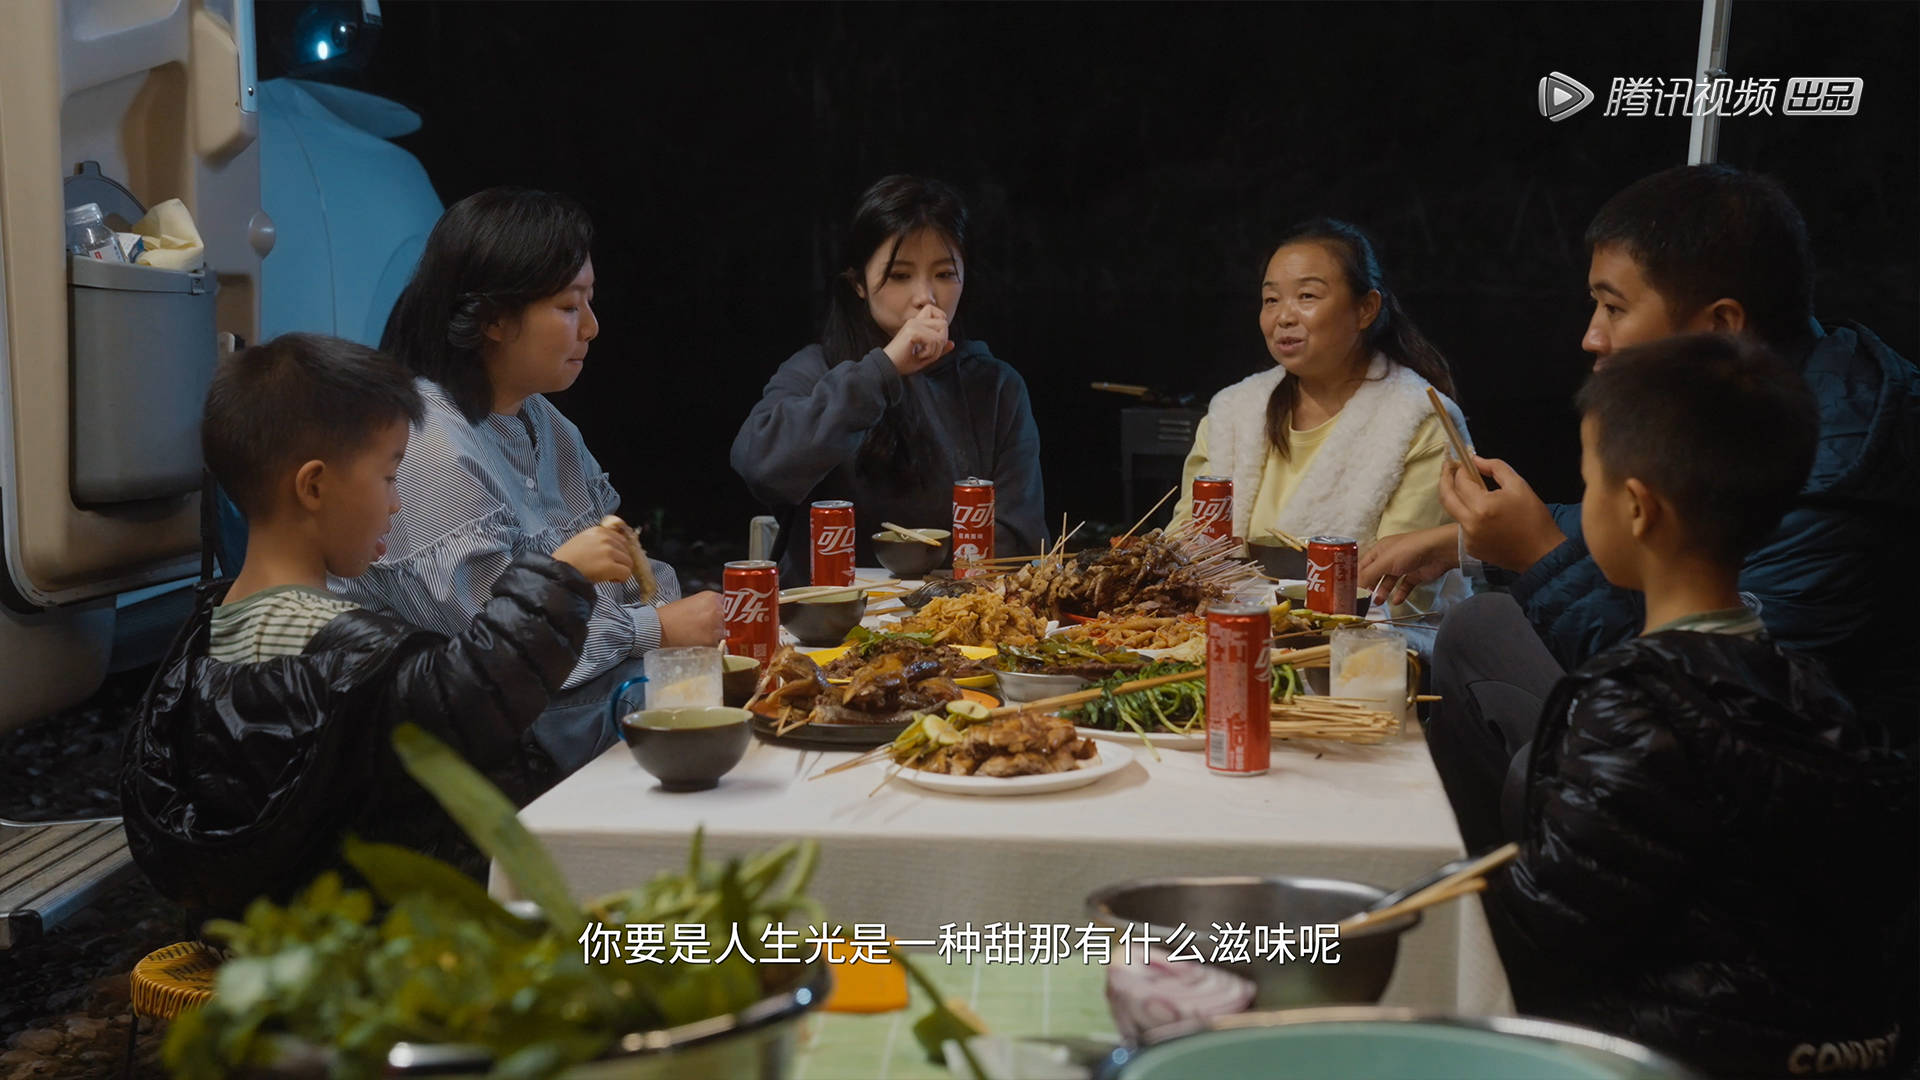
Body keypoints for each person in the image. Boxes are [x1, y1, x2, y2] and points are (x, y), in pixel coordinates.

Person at [1360, 165, 1919, 837]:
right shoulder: (1764, 396)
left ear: (1721, 325)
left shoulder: (1831, 485)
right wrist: (1470, 546)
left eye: (1614, 307)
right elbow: (1647, 540)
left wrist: (1538, 554)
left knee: (1544, 766)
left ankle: (1509, 884)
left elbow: (1720, 707)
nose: (1592, 336)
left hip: (1795, 815)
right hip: (1705, 724)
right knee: (1478, 624)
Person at [1480, 332, 1916, 1078]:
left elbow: (1543, 935)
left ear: (1636, 509)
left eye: (1588, 483)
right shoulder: (1816, 693)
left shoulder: (1633, 705)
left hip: (1669, 1056)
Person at [122, 334, 635, 918]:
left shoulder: (204, 638)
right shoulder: (341, 653)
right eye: (390, 475)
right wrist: (560, 576)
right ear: (314, 486)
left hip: (264, 930)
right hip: (376, 938)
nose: (396, 503)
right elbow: (472, 694)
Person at [338, 188, 725, 775]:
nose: (591, 327)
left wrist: (681, 620)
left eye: (590, 302)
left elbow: (628, 574)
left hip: (552, 701)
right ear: (492, 318)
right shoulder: (428, 442)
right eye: (569, 307)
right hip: (459, 749)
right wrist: (656, 630)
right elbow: (496, 660)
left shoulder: (542, 420)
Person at [731, 175, 1045, 583]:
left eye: (945, 274)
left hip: (953, 611)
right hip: (829, 614)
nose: (925, 297)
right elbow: (761, 468)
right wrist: (884, 370)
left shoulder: (997, 387)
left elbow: (1019, 540)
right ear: (859, 283)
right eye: (899, 275)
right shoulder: (816, 369)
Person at [1167, 219, 1468, 613]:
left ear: (1365, 309)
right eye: (1271, 300)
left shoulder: (1419, 418)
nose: (1283, 317)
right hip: (1223, 625)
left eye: (1306, 296)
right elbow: (1183, 546)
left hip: (1367, 634)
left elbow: (1400, 593)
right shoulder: (1233, 412)